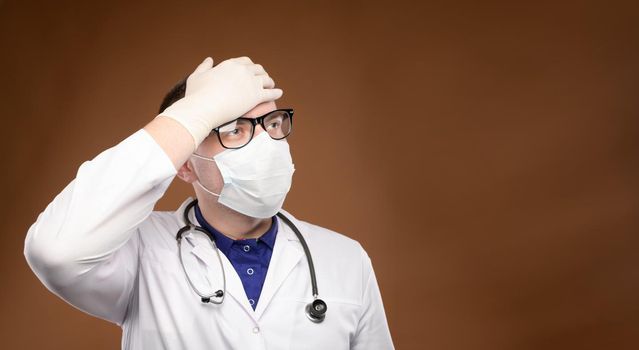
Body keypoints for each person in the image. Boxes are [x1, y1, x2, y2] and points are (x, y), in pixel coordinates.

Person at [24, 56, 395, 349]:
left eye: (273, 123)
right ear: (186, 164)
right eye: (235, 128)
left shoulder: (347, 260)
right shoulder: (137, 253)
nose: (266, 141)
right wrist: (195, 111)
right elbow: (55, 251)